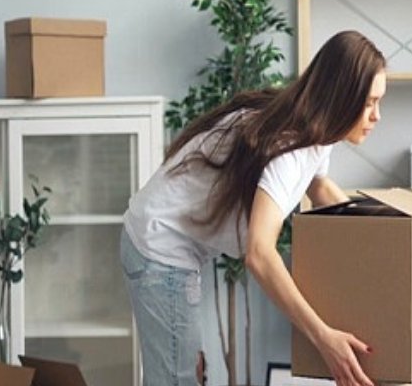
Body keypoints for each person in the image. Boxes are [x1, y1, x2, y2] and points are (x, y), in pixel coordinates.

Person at [120, 30, 386, 386]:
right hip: (159, 244)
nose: (377, 116)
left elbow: (320, 187)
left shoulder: (318, 133)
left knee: (182, 373)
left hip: (174, 244)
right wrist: (324, 338)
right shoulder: (289, 147)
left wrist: (381, 238)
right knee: (176, 380)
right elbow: (259, 255)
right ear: (342, 97)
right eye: (369, 103)